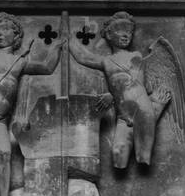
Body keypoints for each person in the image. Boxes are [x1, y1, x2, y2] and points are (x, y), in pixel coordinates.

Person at [0, 12, 63, 196]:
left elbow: (47, 67)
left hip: (0, 116)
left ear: (16, 34)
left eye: (4, 30)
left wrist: (57, 47)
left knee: (4, 154)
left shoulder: (20, 62)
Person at [69, 10, 172, 169]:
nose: (126, 35)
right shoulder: (106, 61)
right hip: (123, 114)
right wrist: (67, 39)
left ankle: (155, 107)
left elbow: (138, 83)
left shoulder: (136, 56)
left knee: (142, 158)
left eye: (129, 32)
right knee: (118, 156)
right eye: (120, 31)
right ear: (109, 35)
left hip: (141, 107)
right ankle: (154, 108)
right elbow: (83, 57)